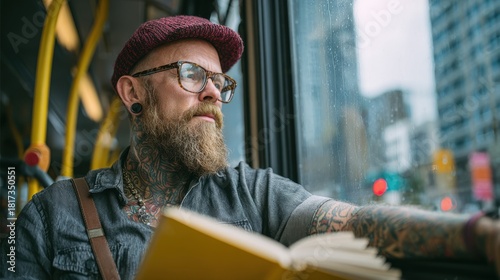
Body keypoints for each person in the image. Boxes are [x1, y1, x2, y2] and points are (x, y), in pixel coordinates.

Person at [1, 15, 499, 279]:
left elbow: (352, 222)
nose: (215, 92)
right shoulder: (48, 217)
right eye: (192, 75)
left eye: (221, 81)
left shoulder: (255, 195)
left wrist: (479, 236)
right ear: (133, 93)